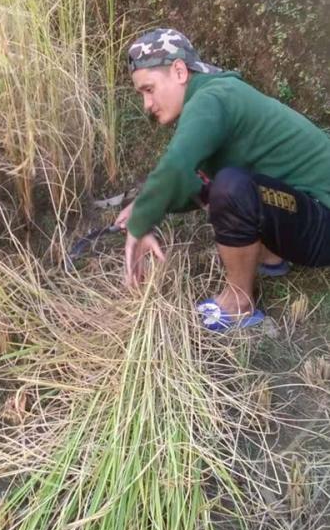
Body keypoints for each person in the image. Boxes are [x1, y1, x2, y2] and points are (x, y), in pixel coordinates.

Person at [116, 28, 330, 331]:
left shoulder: (211, 100)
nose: (146, 105)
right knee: (221, 186)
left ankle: (238, 304)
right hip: (305, 209)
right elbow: (191, 181)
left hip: (324, 219)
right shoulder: (213, 96)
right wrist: (144, 206)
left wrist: (139, 223)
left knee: (231, 188)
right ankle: (272, 258)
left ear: (179, 71)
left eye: (148, 89)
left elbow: (176, 167)